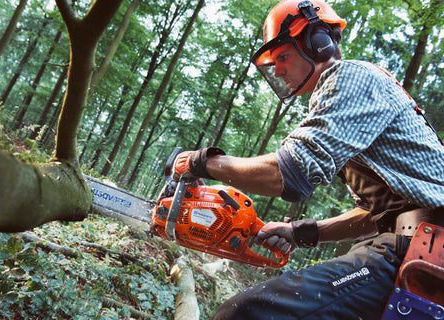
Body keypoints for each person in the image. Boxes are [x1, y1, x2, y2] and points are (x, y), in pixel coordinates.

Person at [172, 0, 444, 318]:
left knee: (245, 312)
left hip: (421, 246)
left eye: (283, 56)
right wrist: (305, 232)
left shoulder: (351, 77)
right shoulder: (347, 100)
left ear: (319, 43)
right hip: (414, 243)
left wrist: (203, 162)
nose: (278, 69)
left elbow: (288, 174)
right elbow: (380, 213)